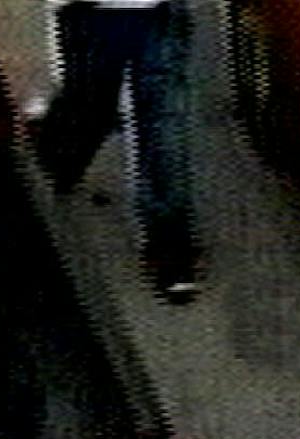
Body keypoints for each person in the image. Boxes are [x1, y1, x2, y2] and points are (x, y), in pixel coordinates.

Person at [33, 0, 199, 301]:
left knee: (162, 124)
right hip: (89, 13)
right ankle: (60, 152)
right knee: (91, 101)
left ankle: (170, 246)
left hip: (159, 13)